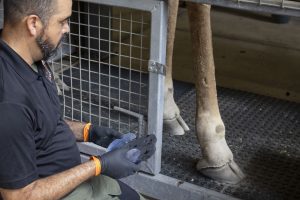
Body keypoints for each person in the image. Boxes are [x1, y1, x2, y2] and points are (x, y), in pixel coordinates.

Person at [0, 0, 156, 199]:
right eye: (62, 21)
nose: (67, 28)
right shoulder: (9, 101)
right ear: (33, 24)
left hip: (74, 181)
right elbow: (20, 196)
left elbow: (36, 124)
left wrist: (87, 132)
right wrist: (97, 165)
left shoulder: (29, 57)